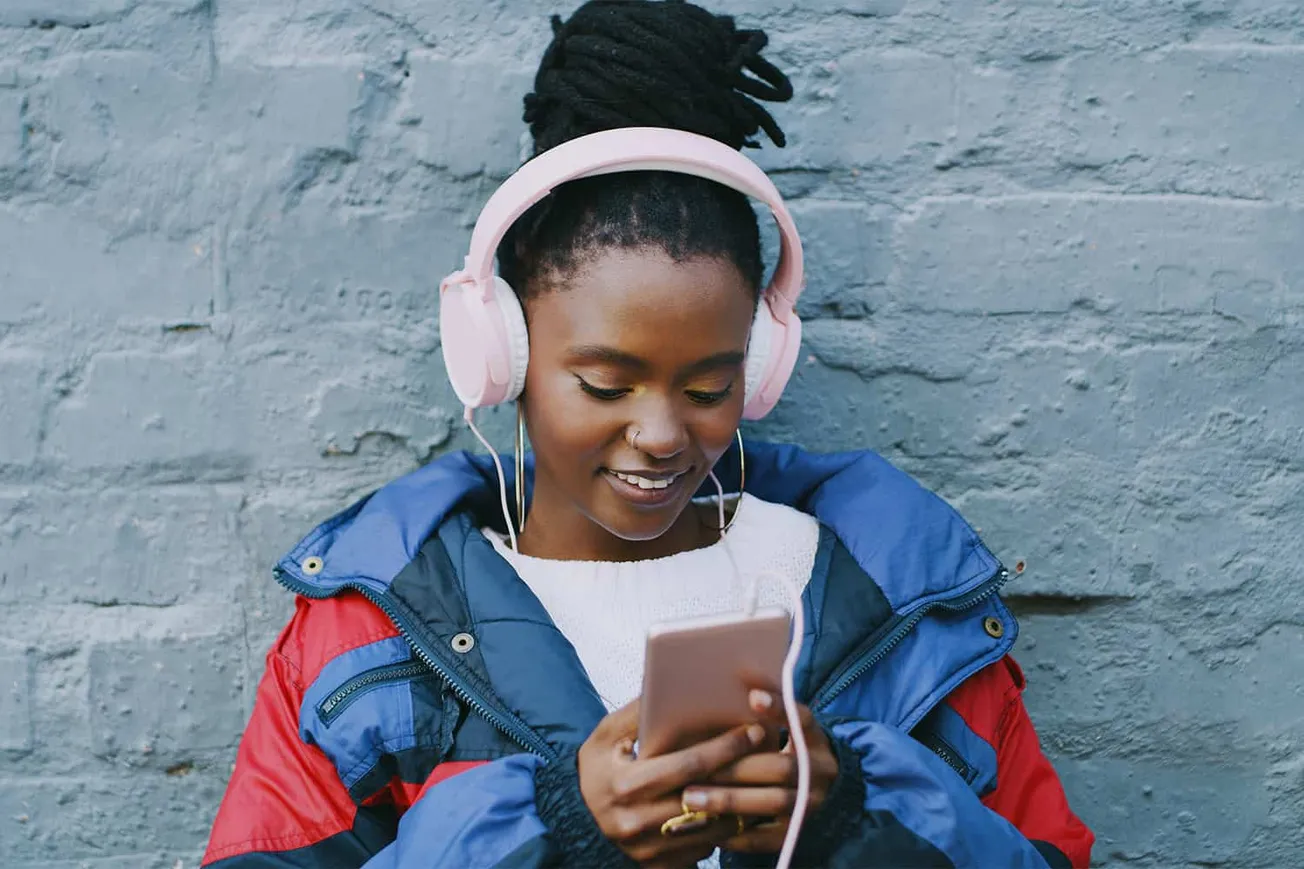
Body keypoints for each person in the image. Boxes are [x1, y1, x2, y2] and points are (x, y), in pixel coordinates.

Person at [201, 2, 1094, 867]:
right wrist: (553, 829)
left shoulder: (907, 601)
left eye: (709, 385)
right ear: (499, 354)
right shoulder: (370, 632)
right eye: (604, 383)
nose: (663, 434)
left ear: (764, 359)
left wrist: (860, 814)